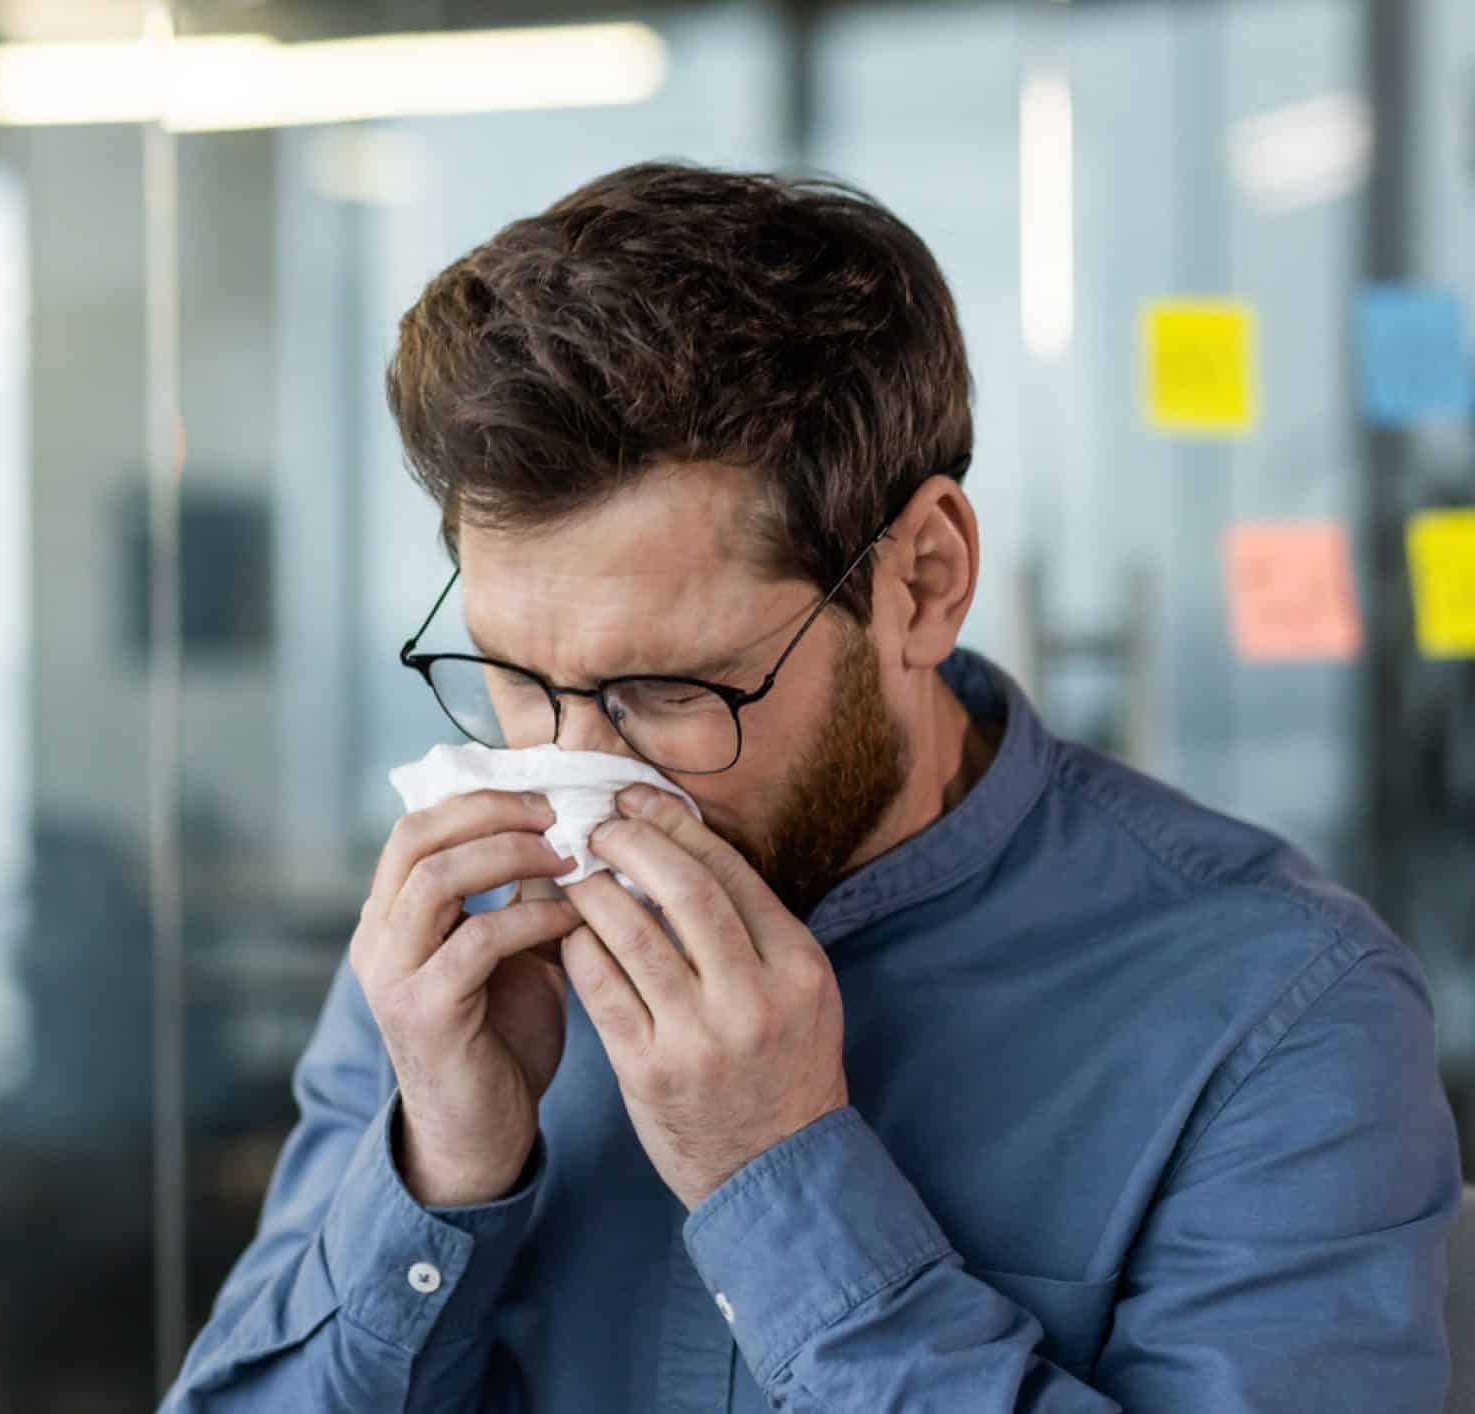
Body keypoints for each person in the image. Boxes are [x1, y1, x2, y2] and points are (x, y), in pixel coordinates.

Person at [159, 162, 1459, 1412]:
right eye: (507, 676)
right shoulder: (464, 937)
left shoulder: (1278, 1021)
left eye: (666, 688)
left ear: (923, 580)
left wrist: (778, 1178)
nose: (574, 778)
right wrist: (435, 1175)